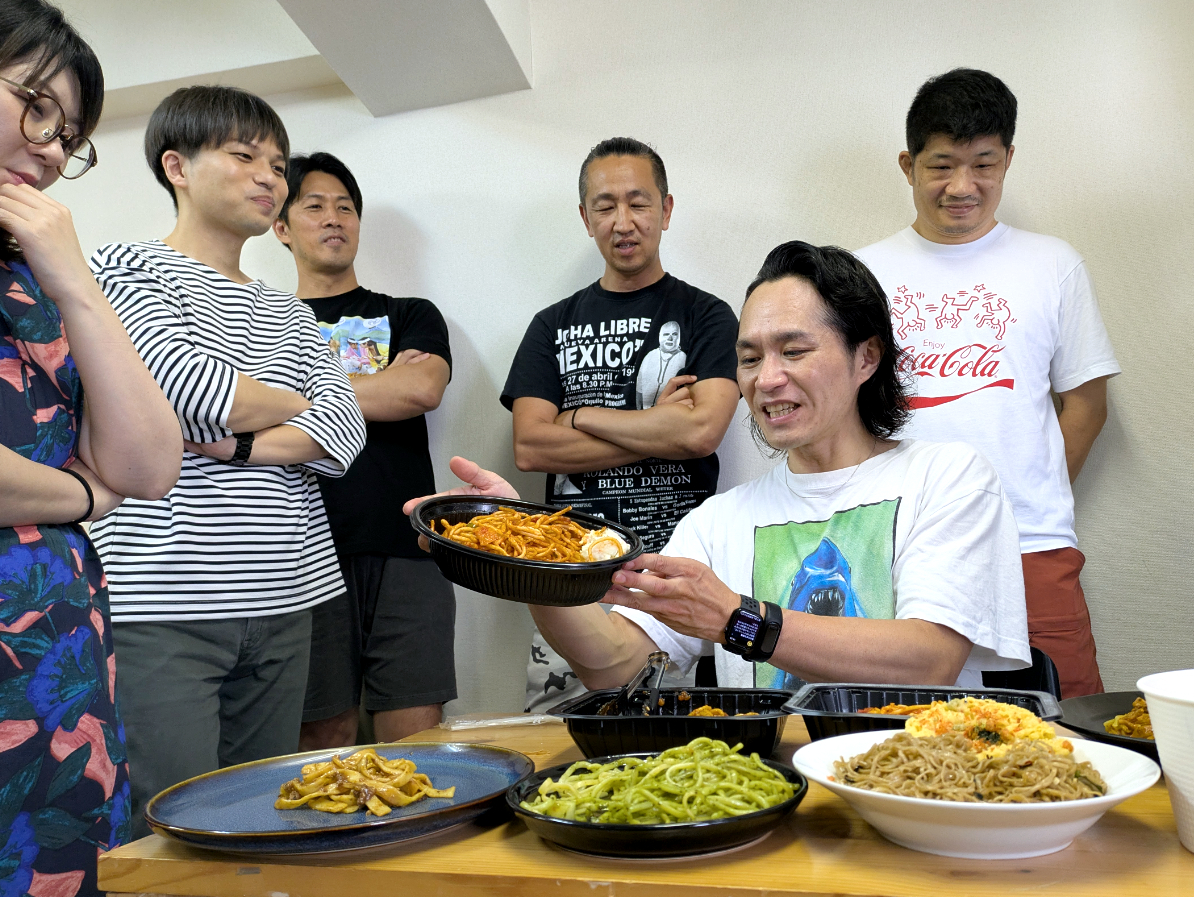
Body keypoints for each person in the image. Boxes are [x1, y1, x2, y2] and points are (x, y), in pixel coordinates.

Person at [412, 242, 1030, 692]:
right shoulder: (719, 521)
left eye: (794, 350)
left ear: (866, 356)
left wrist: (738, 619)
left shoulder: (948, 477)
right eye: (750, 358)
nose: (767, 379)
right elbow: (616, 665)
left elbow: (930, 659)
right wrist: (528, 560)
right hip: (771, 797)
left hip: (914, 789)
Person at [87, 88, 366, 837]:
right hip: (165, 598)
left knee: (260, 824)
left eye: (276, 163)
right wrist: (291, 401)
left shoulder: (291, 310)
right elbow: (183, 387)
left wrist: (240, 440)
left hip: (288, 594)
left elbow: (345, 429)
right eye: (245, 156)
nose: (269, 177)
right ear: (176, 166)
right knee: (166, 828)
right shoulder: (125, 267)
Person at [0, 0, 183, 897]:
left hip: (54, 668)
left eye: (68, 134)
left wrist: (75, 281)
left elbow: (149, 463)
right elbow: (104, 481)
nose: (51, 148)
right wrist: (78, 493)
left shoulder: (31, 271)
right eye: (35, 106)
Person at [856, 69, 1120, 698]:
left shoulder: (1054, 264)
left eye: (983, 165)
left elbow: (1086, 405)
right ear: (908, 166)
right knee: (901, 720)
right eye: (941, 166)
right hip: (895, 540)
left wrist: (1031, 489)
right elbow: (844, 410)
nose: (962, 186)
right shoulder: (861, 274)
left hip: (1031, 542)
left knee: (1068, 719)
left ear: (1008, 161)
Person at [500, 137, 740, 711]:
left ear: (666, 209)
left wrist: (578, 417)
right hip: (572, 575)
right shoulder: (551, 325)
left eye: (638, 202)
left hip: (674, 573)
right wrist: (657, 427)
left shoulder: (707, 315)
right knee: (561, 739)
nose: (623, 221)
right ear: (586, 219)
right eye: (605, 206)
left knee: (682, 747)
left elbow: (701, 433)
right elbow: (531, 445)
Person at [273, 152, 457, 747]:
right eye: (315, 206)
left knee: (415, 743)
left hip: (409, 546)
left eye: (346, 207)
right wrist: (378, 384)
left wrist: (291, 393)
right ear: (281, 227)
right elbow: (236, 406)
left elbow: (419, 389)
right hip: (301, 555)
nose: (334, 218)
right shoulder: (266, 324)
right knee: (320, 743)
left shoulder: (409, 314)